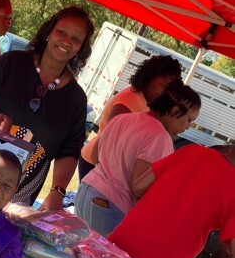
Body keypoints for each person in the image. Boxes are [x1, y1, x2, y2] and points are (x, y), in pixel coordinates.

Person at [0, 6, 95, 209]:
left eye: (76, 39)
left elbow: (69, 152)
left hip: (20, 194)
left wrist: (58, 191)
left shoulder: (76, 99)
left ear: (80, 49)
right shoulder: (11, 63)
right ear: (49, 32)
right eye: (62, 32)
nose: (66, 41)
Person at [74, 79, 201, 236]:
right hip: (112, 207)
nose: (188, 127)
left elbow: (94, 156)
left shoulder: (124, 118)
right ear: (175, 111)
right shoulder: (159, 137)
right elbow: (140, 189)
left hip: (86, 191)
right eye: (190, 120)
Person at [78, 55, 182, 179]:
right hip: (97, 162)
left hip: (102, 162)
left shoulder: (144, 101)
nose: (165, 93)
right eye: (164, 86)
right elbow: (110, 140)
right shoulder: (130, 99)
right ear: (149, 78)